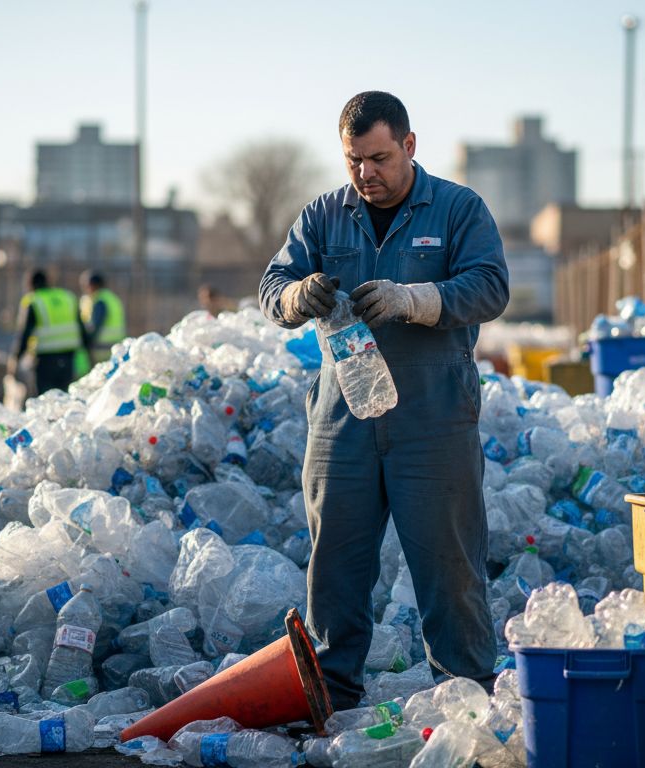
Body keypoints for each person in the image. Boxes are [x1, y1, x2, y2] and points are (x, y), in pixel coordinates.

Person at [258, 91, 509, 710]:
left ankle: (465, 699)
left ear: (408, 146)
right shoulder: (323, 216)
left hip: (433, 420)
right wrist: (295, 299)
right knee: (335, 567)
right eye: (353, 161)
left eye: (378, 158)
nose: (365, 173)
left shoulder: (457, 209)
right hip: (342, 420)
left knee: (448, 565)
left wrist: (416, 300)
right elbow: (273, 284)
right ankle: (332, 695)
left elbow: (491, 286)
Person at [11, 269, 82, 394]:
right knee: (65, 397)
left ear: (30, 284)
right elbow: (81, 328)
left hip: (45, 358)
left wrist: (16, 359)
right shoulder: (67, 297)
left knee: (45, 398)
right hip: (69, 356)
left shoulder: (34, 301)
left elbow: (25, 334)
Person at [79, 270, 127, 365]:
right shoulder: (111, 298)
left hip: (101, 349)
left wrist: (86, 341)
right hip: (116, 347)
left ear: (92, 285)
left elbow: (95, 327)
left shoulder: (100, 301)